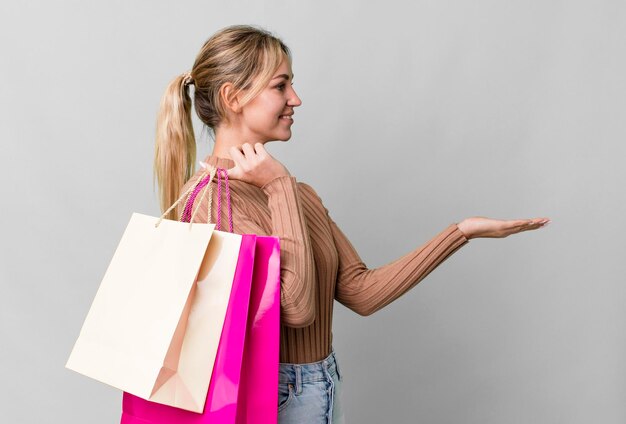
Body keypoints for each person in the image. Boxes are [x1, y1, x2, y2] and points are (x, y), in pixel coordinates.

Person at [153, 24, 550, 424]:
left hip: (322, 386)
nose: (296, 98)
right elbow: (296, 308)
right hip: (271, 399)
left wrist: (462, 231)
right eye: (281, 85)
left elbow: (361, 292)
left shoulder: (297, 194)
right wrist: (277, 186)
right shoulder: (210, 202)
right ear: (233, 97)